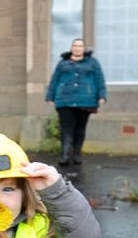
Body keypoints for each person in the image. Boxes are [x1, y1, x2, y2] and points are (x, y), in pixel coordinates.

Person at [44, 38, 107, 169]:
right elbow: (55, 79)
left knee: (80, 129)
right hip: (64, 101)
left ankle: (77, 154)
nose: (77, 48)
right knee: (66, 128)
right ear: (71, 48)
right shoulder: (63, 63)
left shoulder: (92, 63)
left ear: (84, 49)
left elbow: (99, 79)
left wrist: (102, 95)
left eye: (80, 46)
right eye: (75, 46)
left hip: (86, 100)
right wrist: (50, 96)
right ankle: (65, 155)